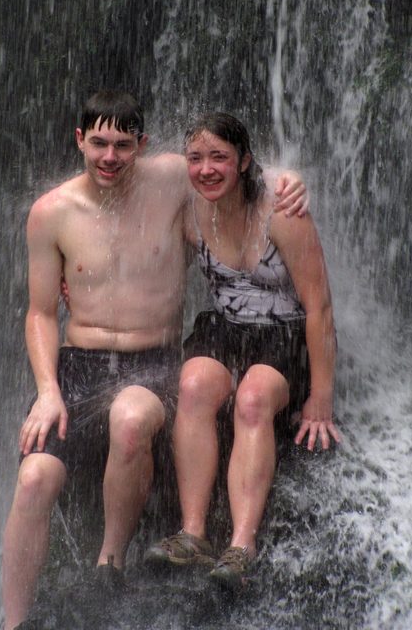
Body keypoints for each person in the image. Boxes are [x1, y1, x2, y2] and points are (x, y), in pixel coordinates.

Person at [1, 91, 307, 630]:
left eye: (123, 144)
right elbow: (41, 314)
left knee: (131, 418)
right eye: (98, 143)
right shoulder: (50, 213)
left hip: (153, 361)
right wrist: (47, 390)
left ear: (142, 145)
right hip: (77, 366)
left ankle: (109, 564)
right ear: (79, 140)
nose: (110, 157)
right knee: (33, 480)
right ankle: (12, 622)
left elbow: (238, 166)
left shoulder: (173, 180)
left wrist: (292, 180)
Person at [145, 111, 340, 590]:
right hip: (225, 328)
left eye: (220, 157)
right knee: (192, 387)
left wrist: (321, 395)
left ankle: (241, 546)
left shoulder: (282, 211)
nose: (207, 169)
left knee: (252, 399)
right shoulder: (188, 212)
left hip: (285, 333)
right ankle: (192, 534)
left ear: (245, 161)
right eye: (196, 158)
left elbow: (320, 306)